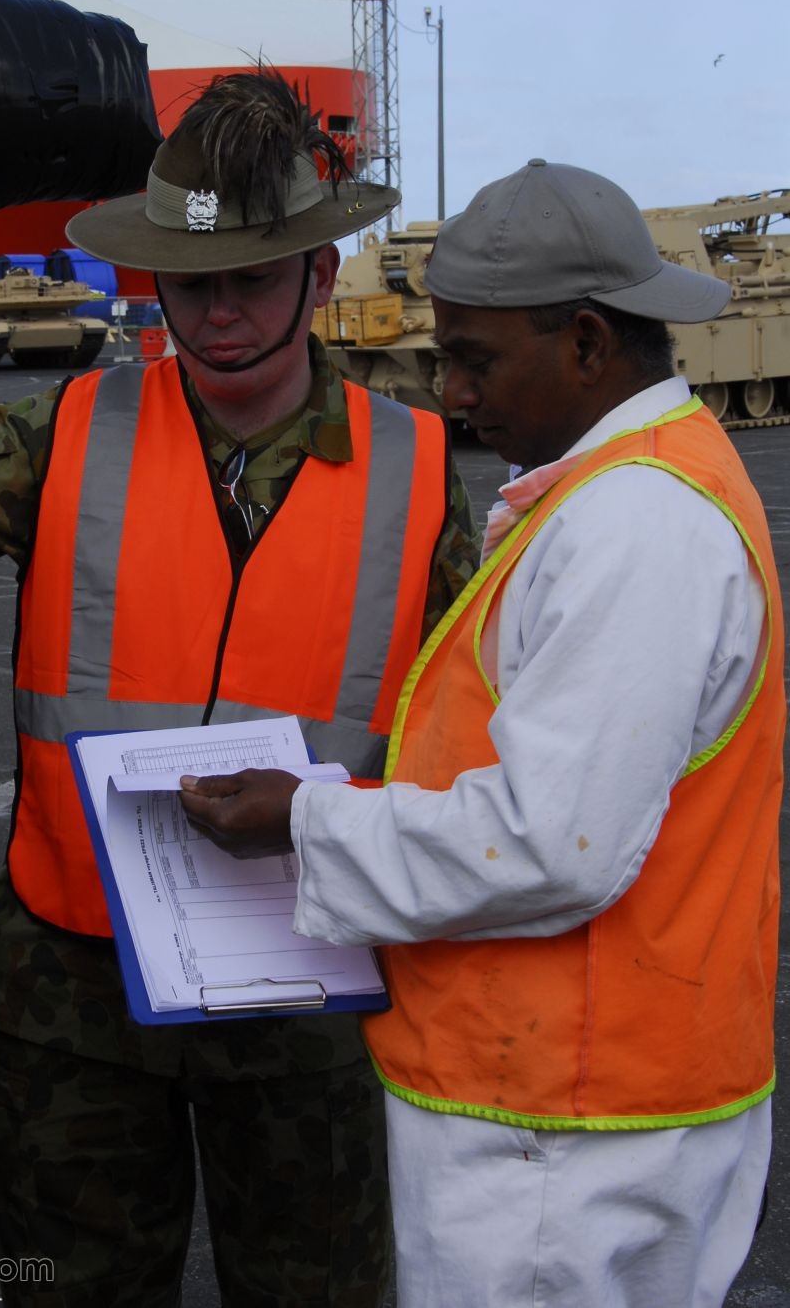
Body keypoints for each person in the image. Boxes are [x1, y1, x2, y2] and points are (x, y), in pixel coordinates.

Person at [0, 68, 478, 1307]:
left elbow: (500, 741)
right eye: (192, 286)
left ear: (320, 278)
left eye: (250, 280)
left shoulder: (428, 478)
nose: (220, 315)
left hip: (310, 1008)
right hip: (73, 1004)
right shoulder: (67, 429)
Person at [181, 157, 784, 1308]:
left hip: (559, 1130)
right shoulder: (639, 484)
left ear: (593, 343)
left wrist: (301, 817)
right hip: (592, 1094)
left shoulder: (632, 525)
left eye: (475, 358)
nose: (450, 394)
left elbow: (549, 845)